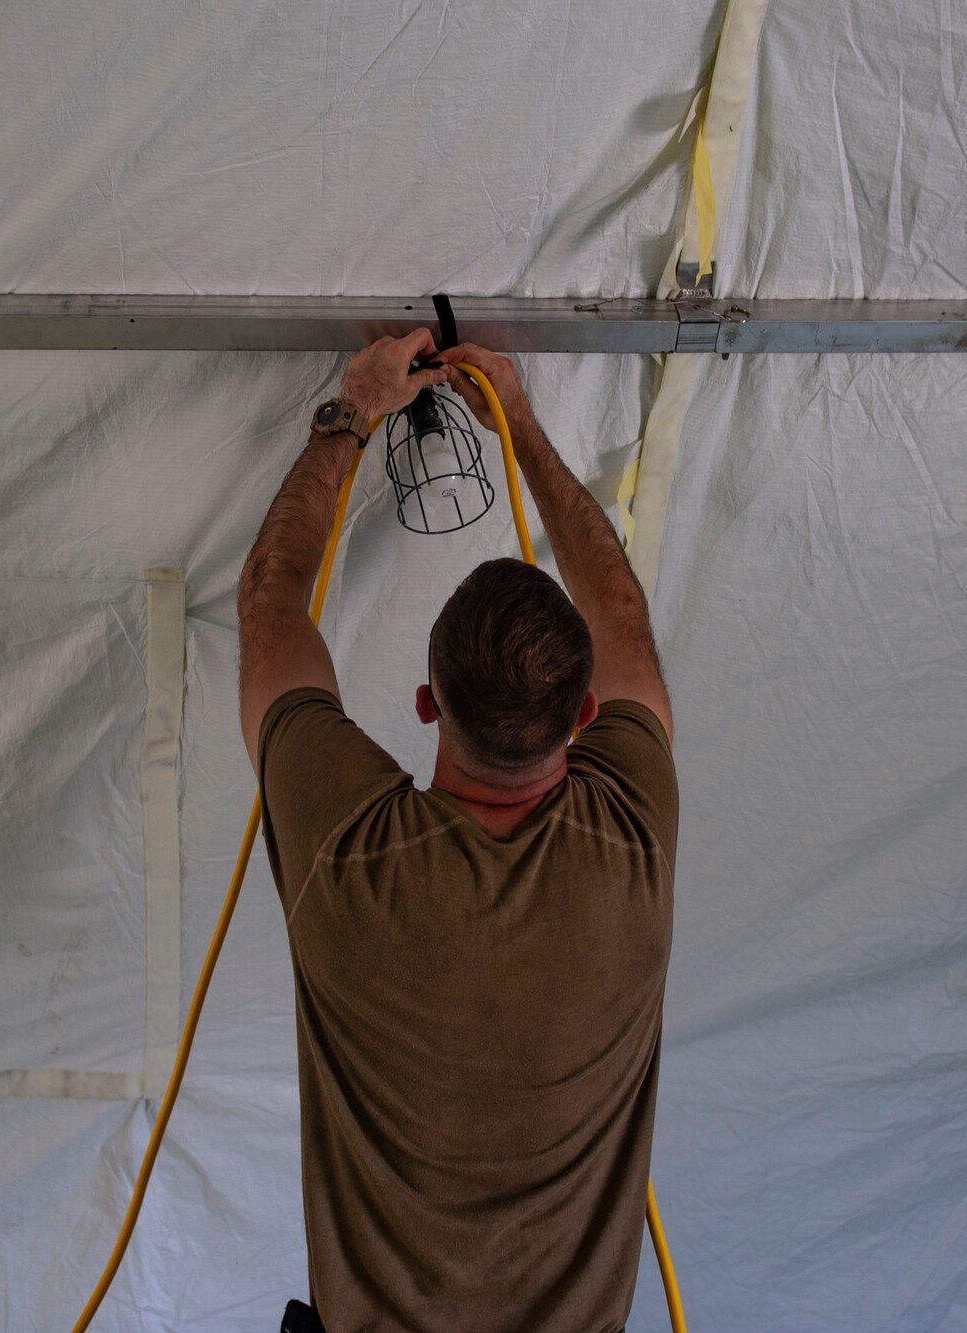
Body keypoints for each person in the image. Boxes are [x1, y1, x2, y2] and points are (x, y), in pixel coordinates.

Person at [238, 329, 677, 1333]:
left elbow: (269, 606)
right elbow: (620, 616)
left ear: (427, 703)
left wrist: (353, 411)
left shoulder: (350, 855)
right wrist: (517, 423)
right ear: (582, 716)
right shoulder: (633, 834)